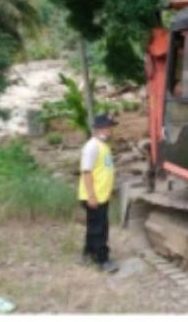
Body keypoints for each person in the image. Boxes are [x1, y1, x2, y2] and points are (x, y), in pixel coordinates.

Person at [79, 113, 119, 273]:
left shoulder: (103, 146)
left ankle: (88, 253)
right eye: (108, 127)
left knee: (93, 226)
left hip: (101, 195)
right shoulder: (92, 146)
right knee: (100, 229)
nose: (111, 130)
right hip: (94, 196)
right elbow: (86, 172)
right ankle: (103, 260)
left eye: (110, 127)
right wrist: (91, 196)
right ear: (99, 129)